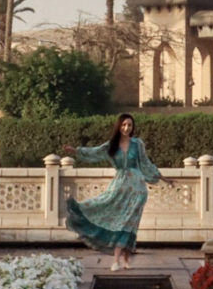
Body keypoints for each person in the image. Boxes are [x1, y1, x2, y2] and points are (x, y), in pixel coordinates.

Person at [61, 113, 161, 271]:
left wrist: (161, 177)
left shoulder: (138, 144)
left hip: (138, 188)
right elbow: (94, 153)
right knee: (117, 218)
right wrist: (75, 150)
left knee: (131, 223)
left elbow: (146, 163)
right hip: (120, 186)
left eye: (129, 125)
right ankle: (119, 259)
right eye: (124, 125)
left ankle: (122, 259)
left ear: (133, 127)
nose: (127, 128)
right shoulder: (111, 145)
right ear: (119, 126)